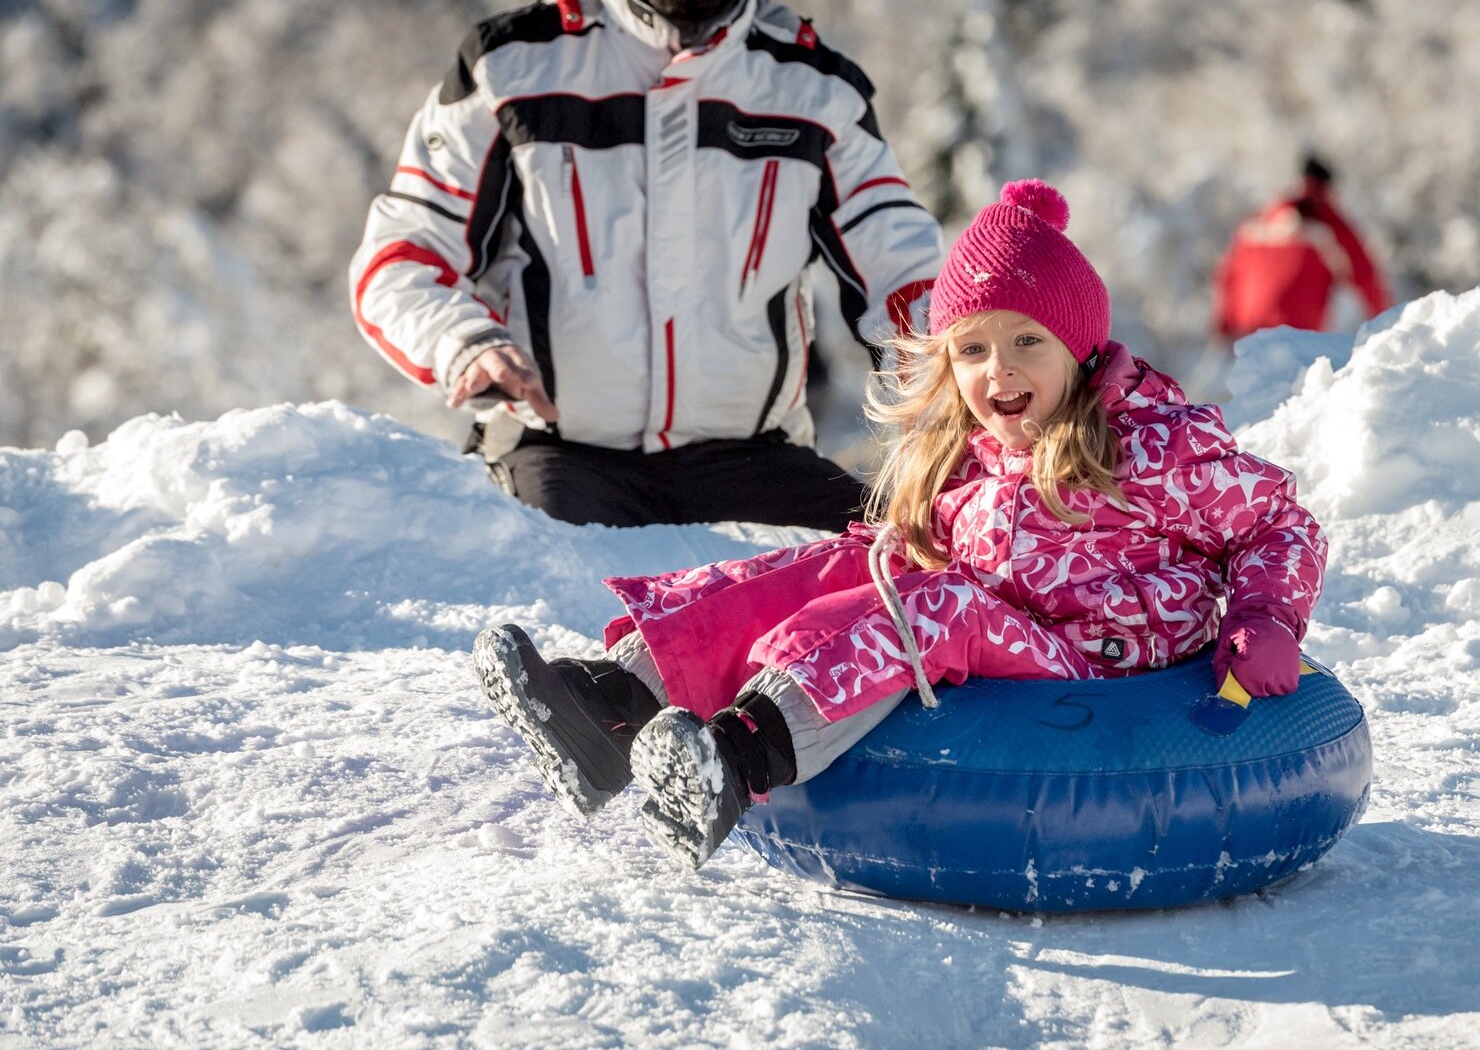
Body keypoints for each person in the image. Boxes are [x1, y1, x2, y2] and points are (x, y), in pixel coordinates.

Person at [471, 179, 1328, 869]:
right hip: (999, 626)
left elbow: (1279, 523)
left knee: (934, 606)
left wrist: (1265, 617)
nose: (1001, 370)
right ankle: (617, 704)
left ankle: (739, 758)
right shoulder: (968, 451)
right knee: (847, 565)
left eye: (1029, 340)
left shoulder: (1152, 447)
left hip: (1095, 662)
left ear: (1079, 346)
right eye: (973, 348)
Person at [348, 0, 941, 529]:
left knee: (895, 574)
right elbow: (402, 254)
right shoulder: (513, 67)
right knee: (568, 603)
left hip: (754, 460)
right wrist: (463, 342)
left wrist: (965, 374)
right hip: (558, 455)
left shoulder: (815, 90)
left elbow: (903, 266)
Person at [1211, 157, 1393, 341]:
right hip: (1296, 330)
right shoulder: (1327, 221)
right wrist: (1388, 322)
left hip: (1247, 327)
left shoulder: (1260, 221)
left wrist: (1224, 325)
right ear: (1327, 186)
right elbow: (1365, 274)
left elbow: (1229, 276)